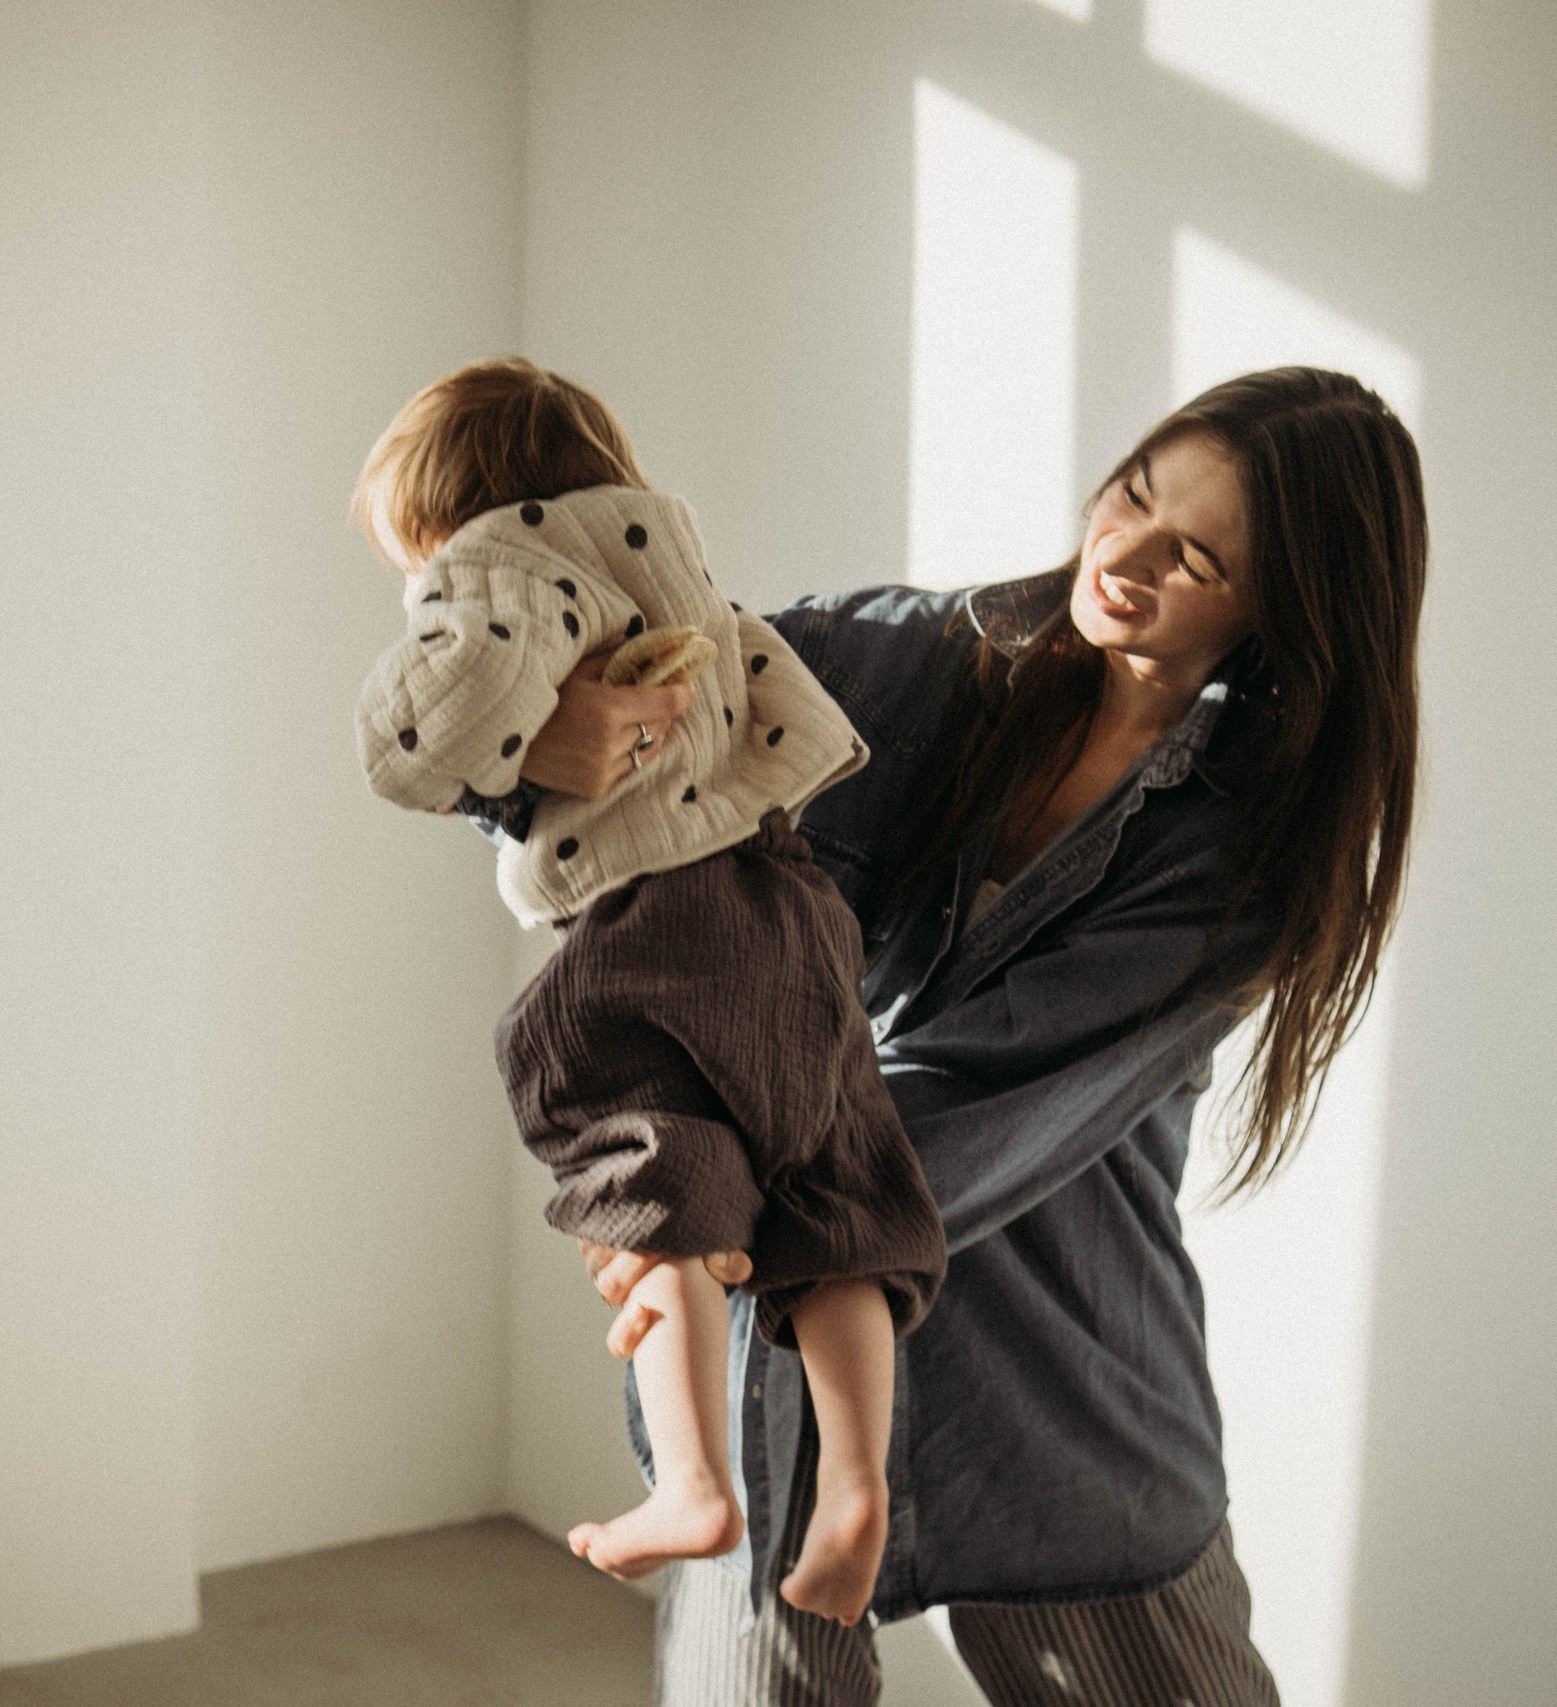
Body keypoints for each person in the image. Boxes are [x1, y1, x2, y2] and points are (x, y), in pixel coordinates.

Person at [529, 367, 1427, 1704]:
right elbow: (595, 717)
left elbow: (964, 1105)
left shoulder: (1253, 855)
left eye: (1196, 559)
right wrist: (551, 735)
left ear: (1285, 609)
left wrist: (689, 1192)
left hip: (1057, 1408)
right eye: (1134, 494)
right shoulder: (891, 661)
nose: (1125, 554)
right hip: (779, 1401)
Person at [351, 358, 947, 1623]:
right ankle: (856, 1490)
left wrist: (465, 708)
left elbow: (424, 738)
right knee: (837, 1181)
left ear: (449, 511)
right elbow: (786, 707)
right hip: (788, 900)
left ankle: (692, 1484)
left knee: (652, 1170)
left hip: (659, 915)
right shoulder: (669, 558)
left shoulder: (497, 565)